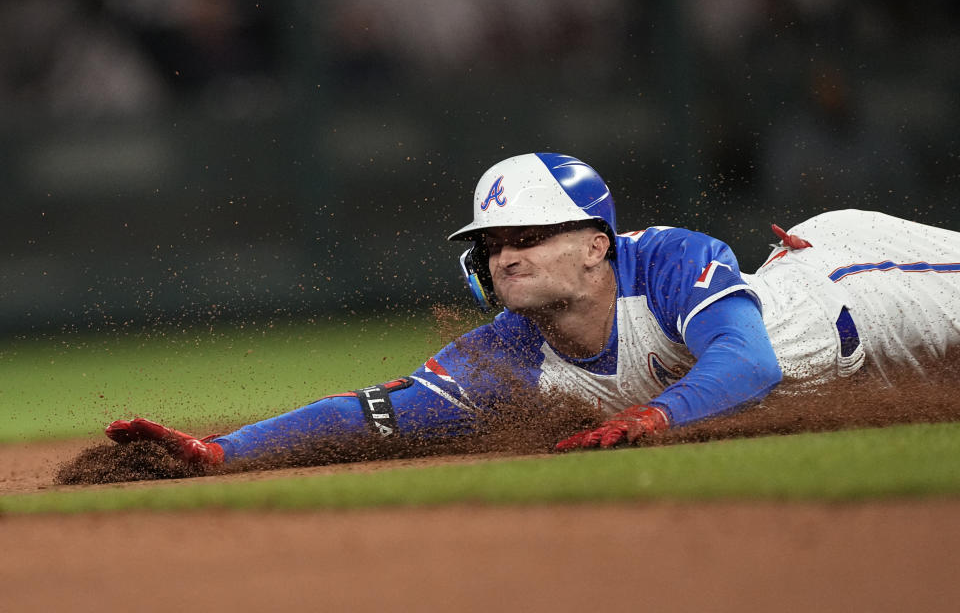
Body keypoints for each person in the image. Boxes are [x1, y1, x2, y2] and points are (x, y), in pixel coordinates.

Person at [105, 152, 960, 464]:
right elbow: (375, 416)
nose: (504, 252)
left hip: (867, 284)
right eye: (491, 241)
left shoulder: (664, 260)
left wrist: (653, 421)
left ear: (597, 243)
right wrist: (222, 450)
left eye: (530, 233)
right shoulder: (511, 351)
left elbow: (750, 364)